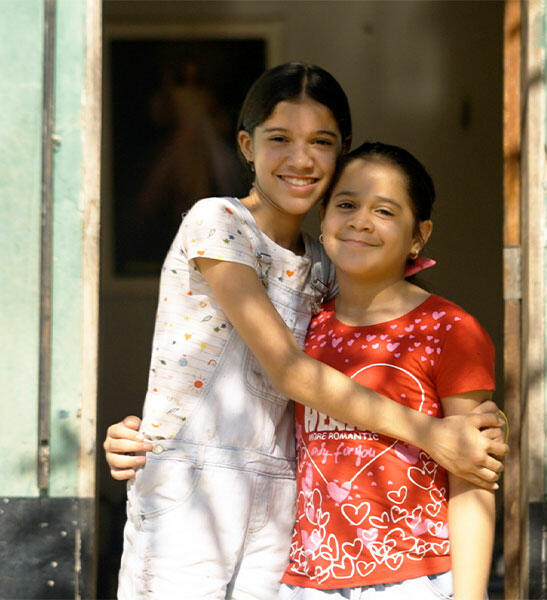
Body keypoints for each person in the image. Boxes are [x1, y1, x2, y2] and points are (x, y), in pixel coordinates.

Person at [109, 62, 507, 599]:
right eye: (279, 139)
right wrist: (433, 433)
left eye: (321, 141)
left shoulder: (324, 265)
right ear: (246, 146)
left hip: (285, 497)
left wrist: (470, 417)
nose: (300, 159)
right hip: (194, 481)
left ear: (340, 152)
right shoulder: (218, 222)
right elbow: (290, 370)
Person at [279, 142, 495, 599]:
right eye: (346, 204)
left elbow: (472, 475)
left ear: (419, 236)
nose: (360, 221)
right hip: (307, 580)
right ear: (323, 216)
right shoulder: (301, 326)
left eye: (385, 211)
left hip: (417, 580)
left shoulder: (450, 329)